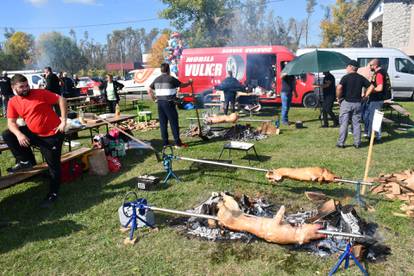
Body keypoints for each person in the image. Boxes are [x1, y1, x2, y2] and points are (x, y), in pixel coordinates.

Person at [2, 74, 67, 207]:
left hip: (52, 134)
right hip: (34, 133)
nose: (26, 88)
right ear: (13, 87)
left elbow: (62, 100)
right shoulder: (13, 102)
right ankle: (25, 161)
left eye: (27, 85)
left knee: (53, 167)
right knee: (8, 134)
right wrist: (19, 134)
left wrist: (64, 120)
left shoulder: (40, 93)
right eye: (22, 87)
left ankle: (53, 194)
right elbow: (11, 123)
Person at [148, 63, 192, 149]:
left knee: (163, 124)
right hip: (169, 103)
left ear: (161, 70)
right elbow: (182, 85)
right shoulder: (170, 79)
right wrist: (189, 82)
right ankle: (177, 143)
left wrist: (154, 99)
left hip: (160, 103)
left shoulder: (156, 79)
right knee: (173, 123)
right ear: (168, 70)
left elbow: (149, 89)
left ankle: (165, 143)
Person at [336, 60, 373, 148]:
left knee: (344, 123)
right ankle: (357, 143)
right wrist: (365, 96)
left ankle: (341, 143)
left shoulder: (345, 77)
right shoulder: (361, 77)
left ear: (351, 67)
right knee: (356, 124)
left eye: (347, 66)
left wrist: (338, 97)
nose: (346, 68)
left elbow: (339, 87)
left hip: (346, 103)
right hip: (357, 103)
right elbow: (371, 86)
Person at [364, 59, 390, 143]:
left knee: (374, 118)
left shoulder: (379, 73)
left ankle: (376, 137)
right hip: (376, 98)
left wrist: (370, 90)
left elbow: (380, 88)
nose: (370, 67)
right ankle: (372, 135)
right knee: (371, 117)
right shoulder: (382, 72)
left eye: (371, 65)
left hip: (377, 99)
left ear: (375, 65)